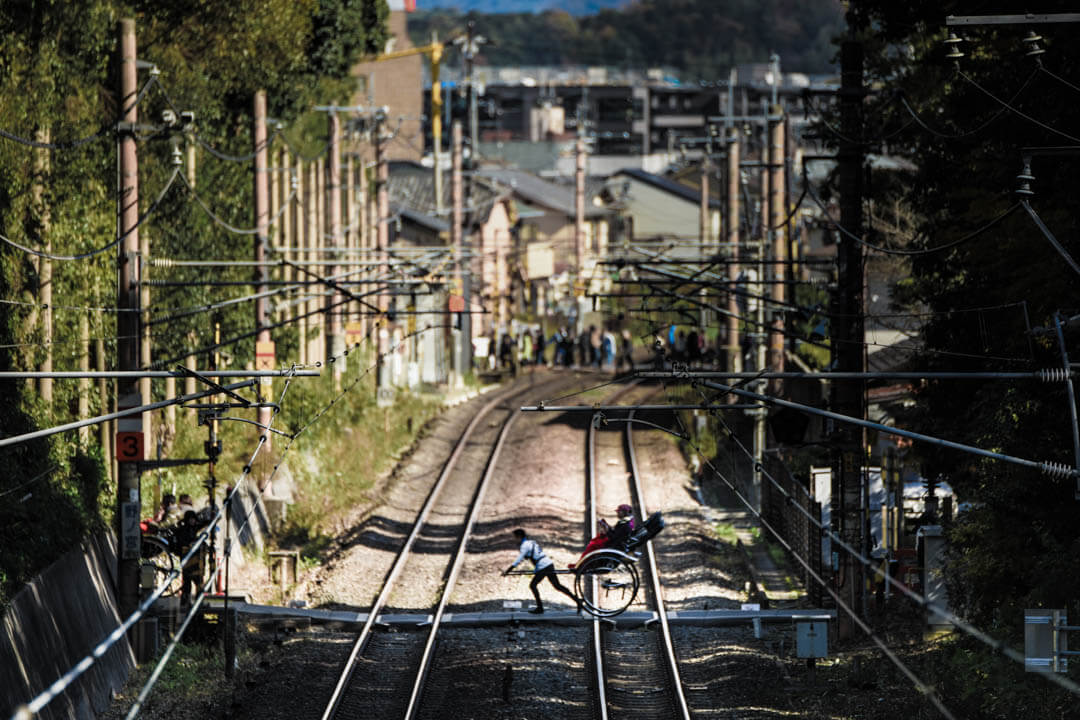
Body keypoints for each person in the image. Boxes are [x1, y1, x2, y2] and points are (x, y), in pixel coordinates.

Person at [504, 528, 580, 614]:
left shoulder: (524, 545)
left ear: (519, 537)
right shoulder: (531, 542)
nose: (514, 539)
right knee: (557, 586)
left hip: (543, 566)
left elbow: (518, 560)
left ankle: (540, 608)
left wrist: (508, 570)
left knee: (533, 585)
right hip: (548, 563)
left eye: (515, 537)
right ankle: (578, 601)